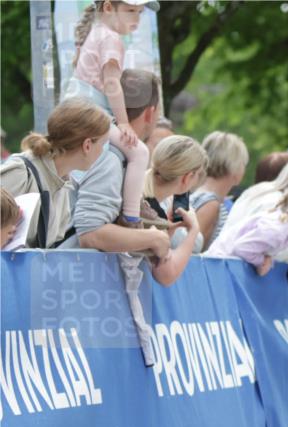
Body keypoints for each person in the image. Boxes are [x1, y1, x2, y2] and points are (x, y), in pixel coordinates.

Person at [69, 70, 199, 286]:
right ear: (150, 113)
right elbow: (89, 233)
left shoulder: (116, 154)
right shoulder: (110, 156)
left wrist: (155, 233)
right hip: (75, 289)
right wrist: (153, 238)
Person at [66, 0, 159, 225]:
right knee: (140, 153)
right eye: (129, 11)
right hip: (90, 112)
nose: (136, 18)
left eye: (138, 12)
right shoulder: (111, 38)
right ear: (108, 7)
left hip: (77, 108)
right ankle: (131, 215)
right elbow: (111, 84)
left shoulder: (97, 32)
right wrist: (124, 123)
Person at [0, 97, 110, 248]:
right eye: (103, 144)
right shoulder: (21, 173)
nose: (103, 151)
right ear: (87, 145)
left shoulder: (63, 185)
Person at [206, 182, 288, 276]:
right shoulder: (275, 230)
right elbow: (241, 248)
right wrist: (262, 261)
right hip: (217, 264)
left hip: (223, 266)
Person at [143, 135, 208, 251]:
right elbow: (196, 246)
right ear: (188, 177)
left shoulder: (135, 188)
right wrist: (193, 228)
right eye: (198, 175)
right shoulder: (154, 208)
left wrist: (170, 228)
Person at [190, 131, 249, 250]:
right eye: (243, 163)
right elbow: (192, 250)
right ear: (234, 166)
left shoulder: (198, 194)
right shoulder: (210, 204)